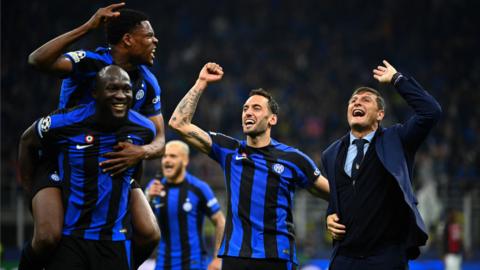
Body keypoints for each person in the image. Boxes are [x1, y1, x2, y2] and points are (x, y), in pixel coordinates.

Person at [22, 4, 164, 268]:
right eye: (149, 36)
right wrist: (88, 27)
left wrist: (141, 152)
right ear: (128, 39)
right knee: (48, 237)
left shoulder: (148, 82)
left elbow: (159, 141)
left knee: (149, 232)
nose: (155, 41)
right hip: (65, 158)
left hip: (114, 163)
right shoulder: (90, 63)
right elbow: (37, 60)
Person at [168, 62, 330, 270]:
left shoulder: (293, 159)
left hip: (276, 258)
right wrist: (201, 83)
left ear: (272, 119)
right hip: (236, 257)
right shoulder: (229, 150)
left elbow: (333, 195)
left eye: (256, 108)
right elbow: (178, 123)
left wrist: (332, 213)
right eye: (245, 109)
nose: (248, 113)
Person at [324, 60, 442, 269]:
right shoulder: (331, 153)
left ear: (380, 115)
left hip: (386, 256)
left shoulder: (397, 139)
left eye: (366, 100)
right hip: (345, 257)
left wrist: (398, 80)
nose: (357, 103)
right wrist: (330, 216)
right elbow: (338, 198)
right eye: (353, 100)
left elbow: (431, 111)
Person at [145, 140, 225, 270]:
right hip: (163, 263)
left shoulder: (199, 188)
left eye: (173, 156)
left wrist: (217, 258)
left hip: (193, 264)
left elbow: (220, 221)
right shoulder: (154, 188)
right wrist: (147, 198)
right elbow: (139, 224)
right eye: (164, 156)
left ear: (185, 161)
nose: (167, 160)